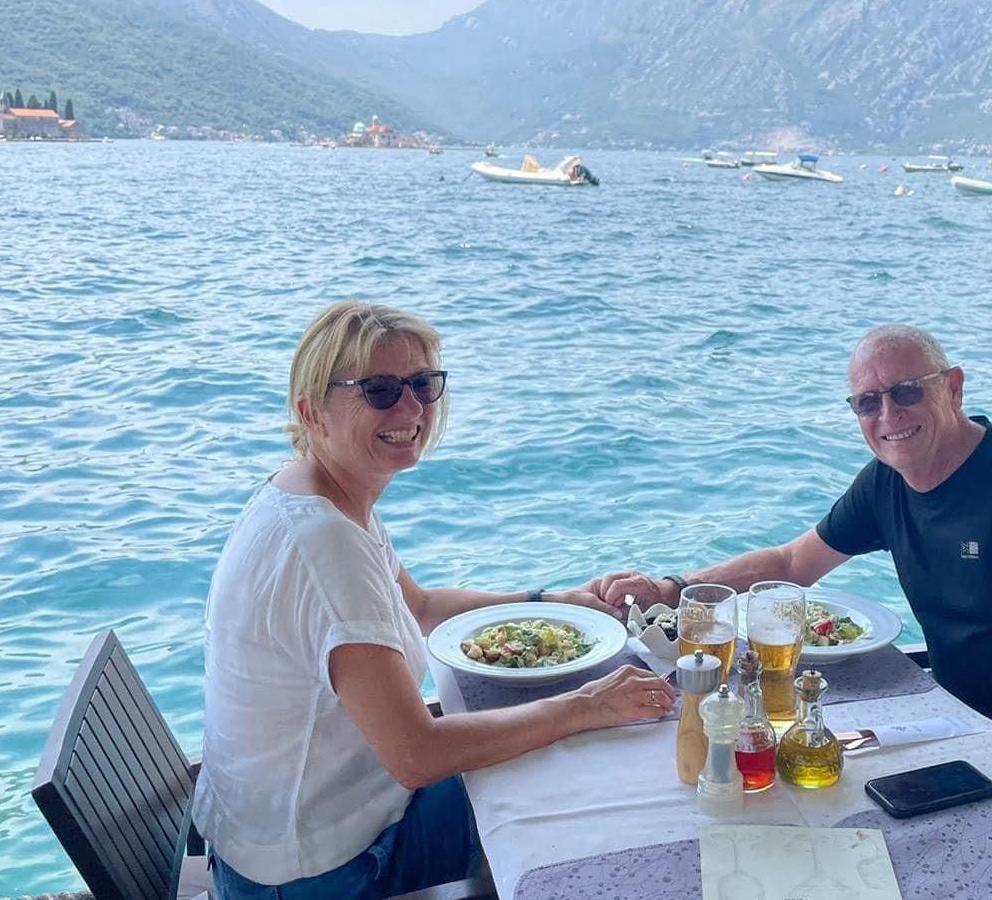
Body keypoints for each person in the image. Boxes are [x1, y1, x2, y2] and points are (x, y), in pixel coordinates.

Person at [194, 301, 674, 899]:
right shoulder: (324, 544)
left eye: (423, 384)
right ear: (310, 411)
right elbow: (417, 755)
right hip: (325, 872)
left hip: (286, 839)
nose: (412, 407)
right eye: (380, 389)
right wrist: (584, 706)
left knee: (561, 756)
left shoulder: (318, 495)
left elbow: (418, 608)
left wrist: (554, 600)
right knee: (579, 784)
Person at [590, 324, 992, 786]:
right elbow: (792, 566)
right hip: (970, 731)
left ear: (954, 387)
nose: (888, 415)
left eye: (907, 391)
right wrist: (670, 588)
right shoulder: (889, 482)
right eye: (867, 402)